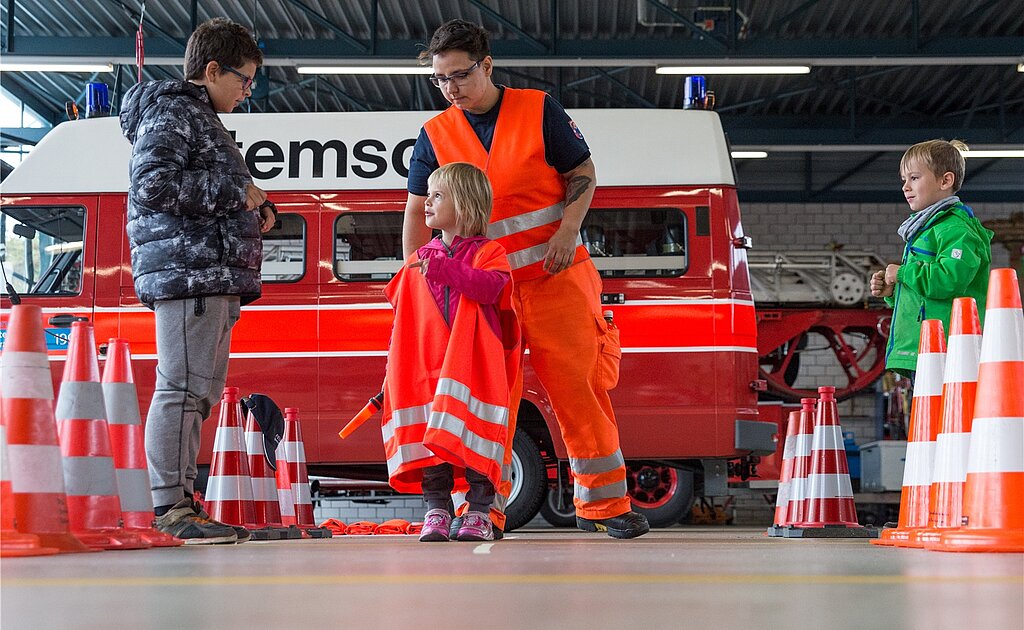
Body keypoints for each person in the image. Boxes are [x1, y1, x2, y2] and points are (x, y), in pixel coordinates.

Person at [403, 19, 649, 539]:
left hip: (558, 278)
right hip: (483, 294)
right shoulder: (435, 134)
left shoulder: (540, 110)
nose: (451, 89)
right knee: (488, 401)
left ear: (487, 65)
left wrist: (568, 231)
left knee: (580, 392)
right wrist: (418, 285)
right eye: (440, 80)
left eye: (459, 76)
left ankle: (605, 507)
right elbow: (418, 214)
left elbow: (583, 175)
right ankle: (482, 513)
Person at [119, 17, 276, 544]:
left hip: (209, 275)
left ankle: (182, 501)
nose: (248, 91)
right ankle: (170, 506)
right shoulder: (174, 111)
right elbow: (154, 184)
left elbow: (199, 185)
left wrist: (256, 207)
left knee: (197, 393)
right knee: (183, 389)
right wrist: (237, 195)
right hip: (191, 276)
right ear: (212, 70)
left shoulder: (197, 115)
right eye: (244, 79)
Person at [382, 162, 520, 542]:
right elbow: (402, 322)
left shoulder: (489, 252)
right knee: (433, 450)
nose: (426, 202)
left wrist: (445, 270)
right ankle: (436, 511)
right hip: (426, 371)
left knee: (475, 444)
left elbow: (493, 289)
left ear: (465, 204)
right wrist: (390, 376)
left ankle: (478, 511)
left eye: (437, 195)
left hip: (474, 372)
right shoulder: (418, 260)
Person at [870, 139, 993, 377]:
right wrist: (894, 292)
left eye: (914, 178)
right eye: (904, 180)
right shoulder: (926, 230)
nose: (906, 187)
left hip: (948, 351)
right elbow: (927, 297)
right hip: (928, 350)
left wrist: (904, 273)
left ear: (945, 181)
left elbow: (949, 280)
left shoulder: (956, 230)